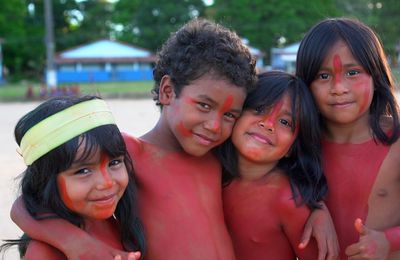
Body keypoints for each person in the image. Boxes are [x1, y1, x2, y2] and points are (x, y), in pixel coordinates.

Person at [11, 18, 337, 259]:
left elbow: (281, 166)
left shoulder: (217, 152)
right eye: (204, 106)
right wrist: (75, 242)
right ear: (168, 91)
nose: (214, 125)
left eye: (229, 115)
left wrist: (318, 208)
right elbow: (28, 202)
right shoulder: (126, 155)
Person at [296, 17, 400, 259]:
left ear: (376, 76)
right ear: (305, 84)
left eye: (353, 72)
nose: (339, 87)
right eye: (323, 76)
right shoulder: (296, 142)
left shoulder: (397, 142)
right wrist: (316, 207)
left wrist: (389, 241)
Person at [1, 96, 145, 259]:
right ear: (45, 180)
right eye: (83, 171)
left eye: (114, 162)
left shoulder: (119, 223)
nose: (107, 182)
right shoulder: (44, 253)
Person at [219, 71, 327, 259]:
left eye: (285, 121)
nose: (268, 124)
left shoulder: (288, 200)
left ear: (293, 147)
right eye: (259, 109)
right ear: (235, 113)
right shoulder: (211, 173)